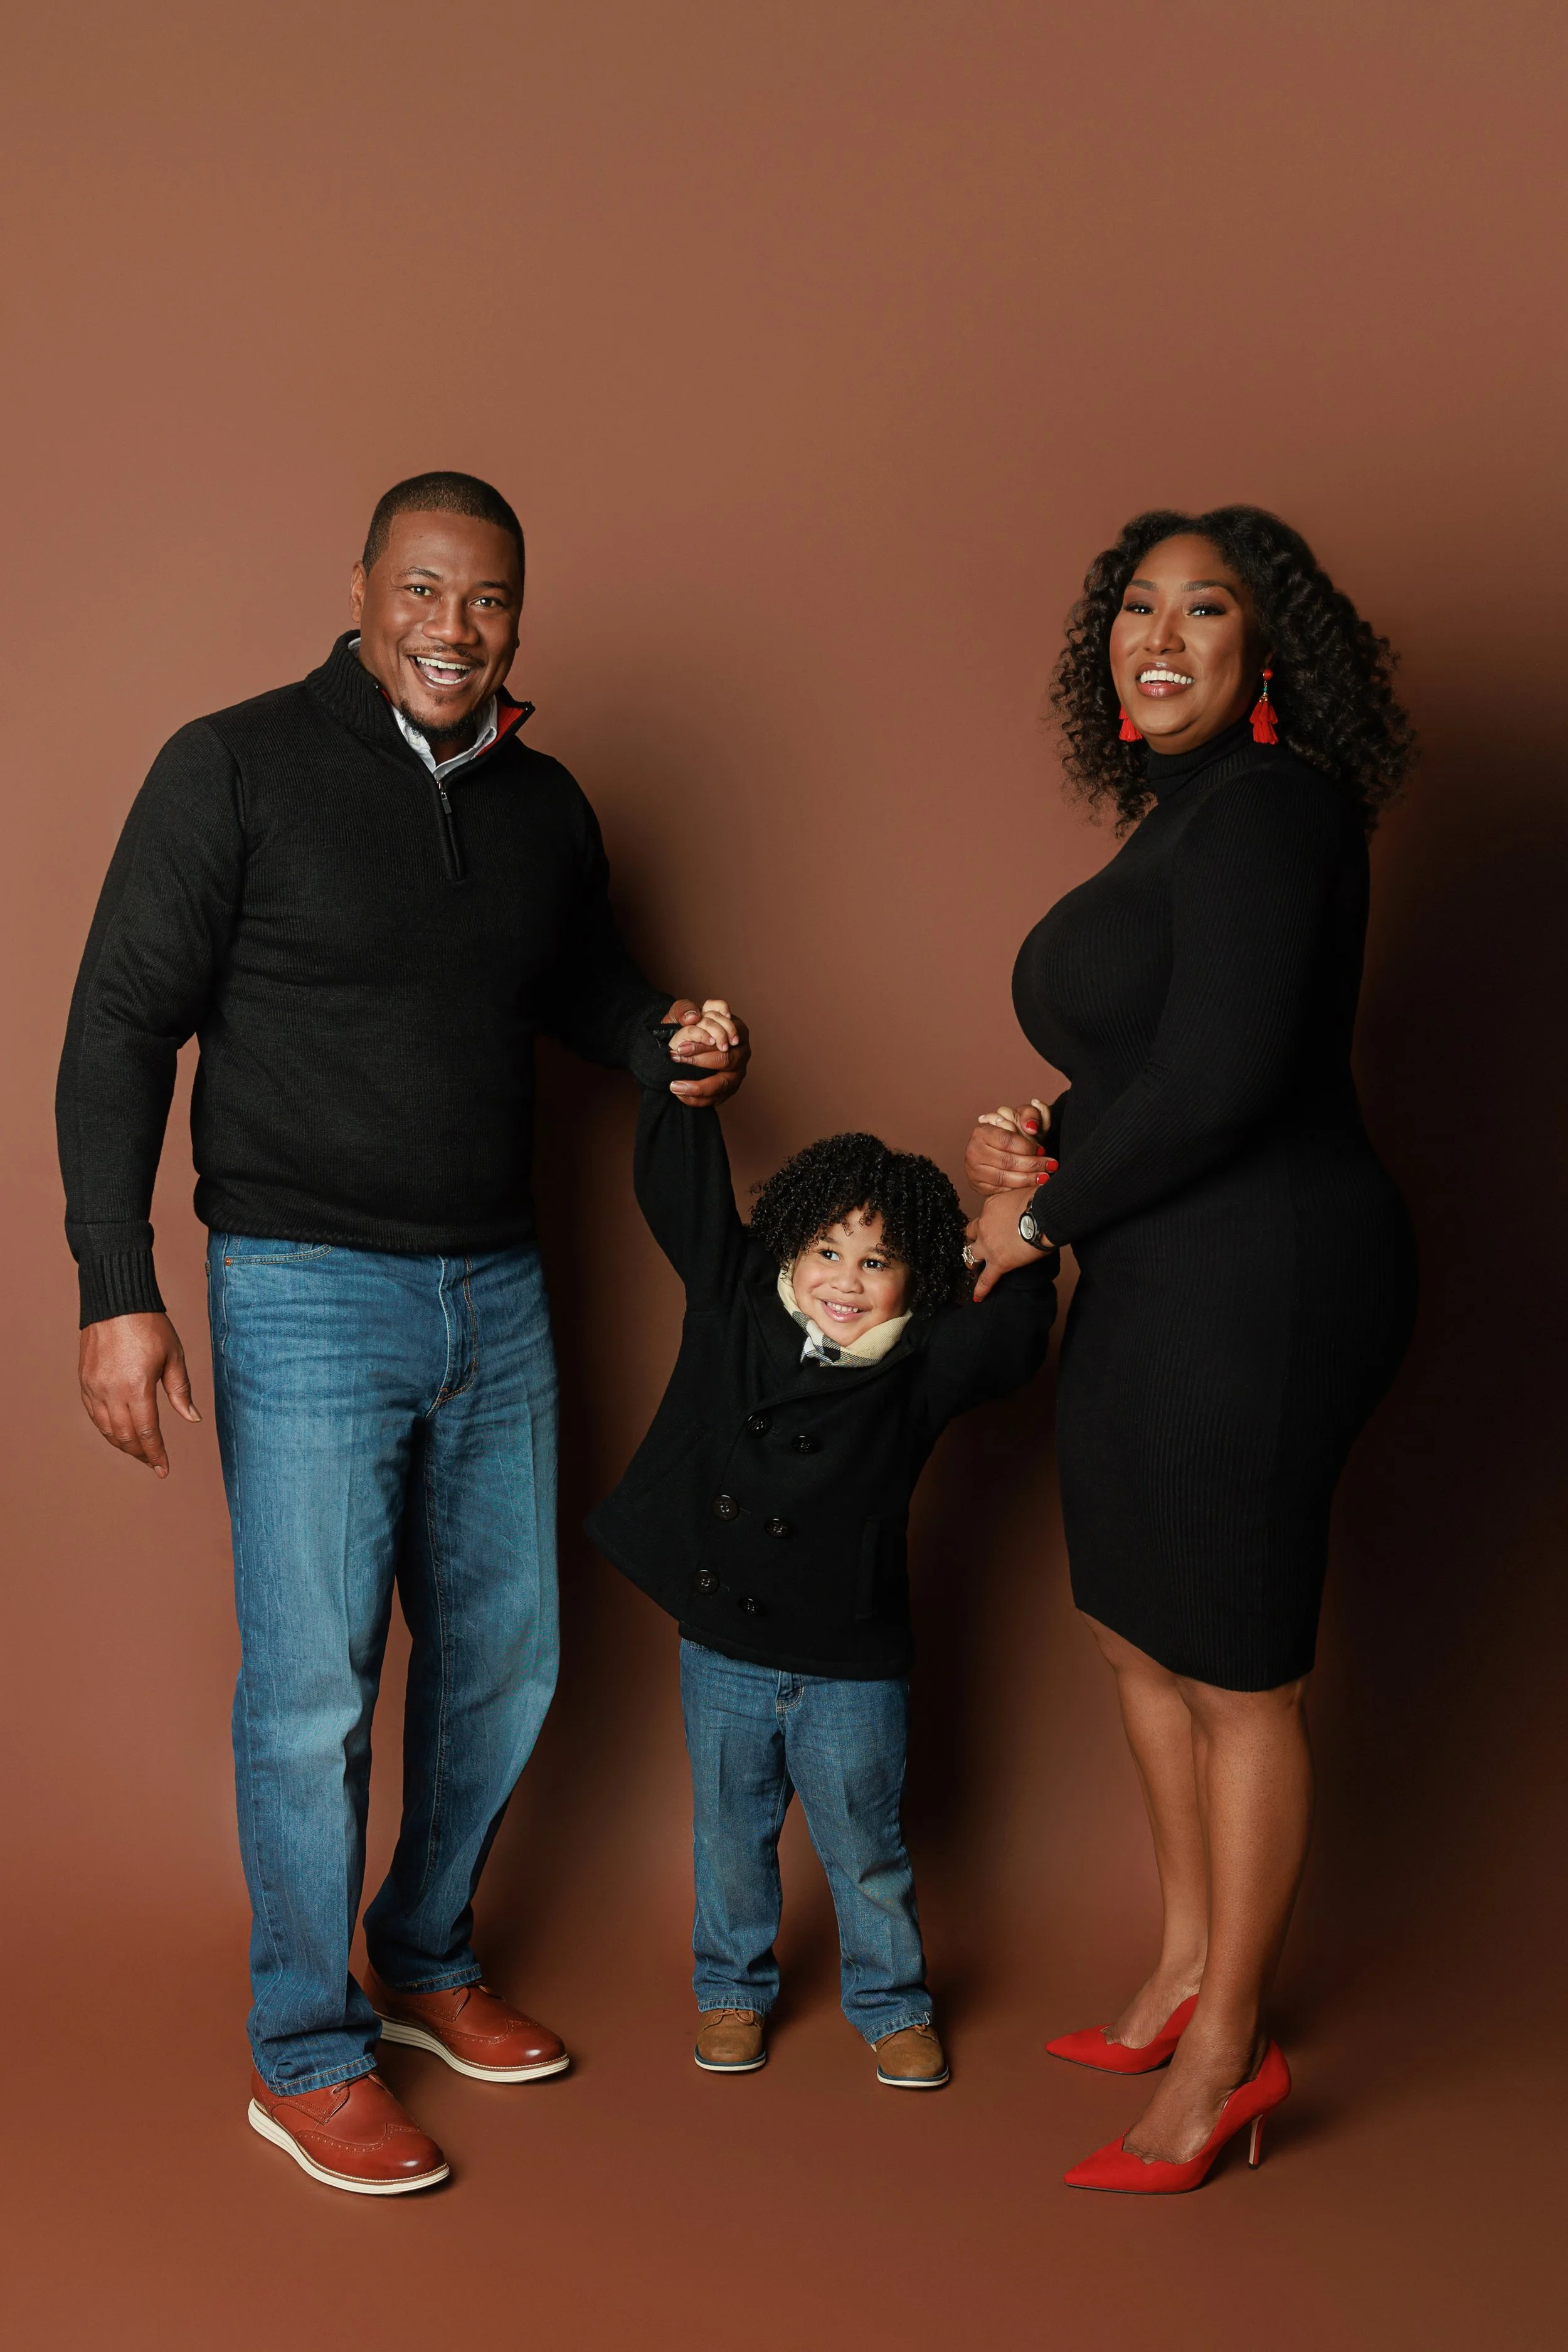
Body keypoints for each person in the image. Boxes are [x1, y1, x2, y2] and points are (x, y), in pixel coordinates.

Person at [56, 471, 750, 2196]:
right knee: (314, 1689)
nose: (455, 627)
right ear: (361, 589)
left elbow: (581, 986)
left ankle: (426, 1949)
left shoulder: (543, 804)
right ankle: (306, 2048)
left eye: (488, 598)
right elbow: (119, 1024)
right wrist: (115, 1285)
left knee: (508, 1654)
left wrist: (666, 1038)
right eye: (424, 590)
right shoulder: (232, 766)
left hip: (494, 1287)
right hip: (300, 1285)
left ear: (517, 615)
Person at [964, 505, 1417, 2193]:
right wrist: (1051, 1138)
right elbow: (1167, 1058)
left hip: (1268, 1277)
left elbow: (1229, 1083)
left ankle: (1231, 2049)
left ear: (1265, 647)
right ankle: (1176, 1966)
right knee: (1131, 1630)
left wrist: (1040, 1222)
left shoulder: (1274, 809)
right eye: (1135, 607)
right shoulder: (1184, 814)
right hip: (1161, 1265)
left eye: (1202, 609)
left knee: (1234, 1671)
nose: (1156, 638)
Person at [586, 1016, 1059, 2086]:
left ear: (915, 1278)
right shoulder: (734, 1301)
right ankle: (731, 1989)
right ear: (791, 1250)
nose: (846, 1280)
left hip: (851, 1656)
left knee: (866, 1845)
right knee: (729, 1836)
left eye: (877, 1261)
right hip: (723, 1642)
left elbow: (1013, 1341)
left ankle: (892, 2002)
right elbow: (682, 1193)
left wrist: (1029, 1224)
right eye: (828, 1251)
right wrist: (679, 1074)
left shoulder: (924, 1362)